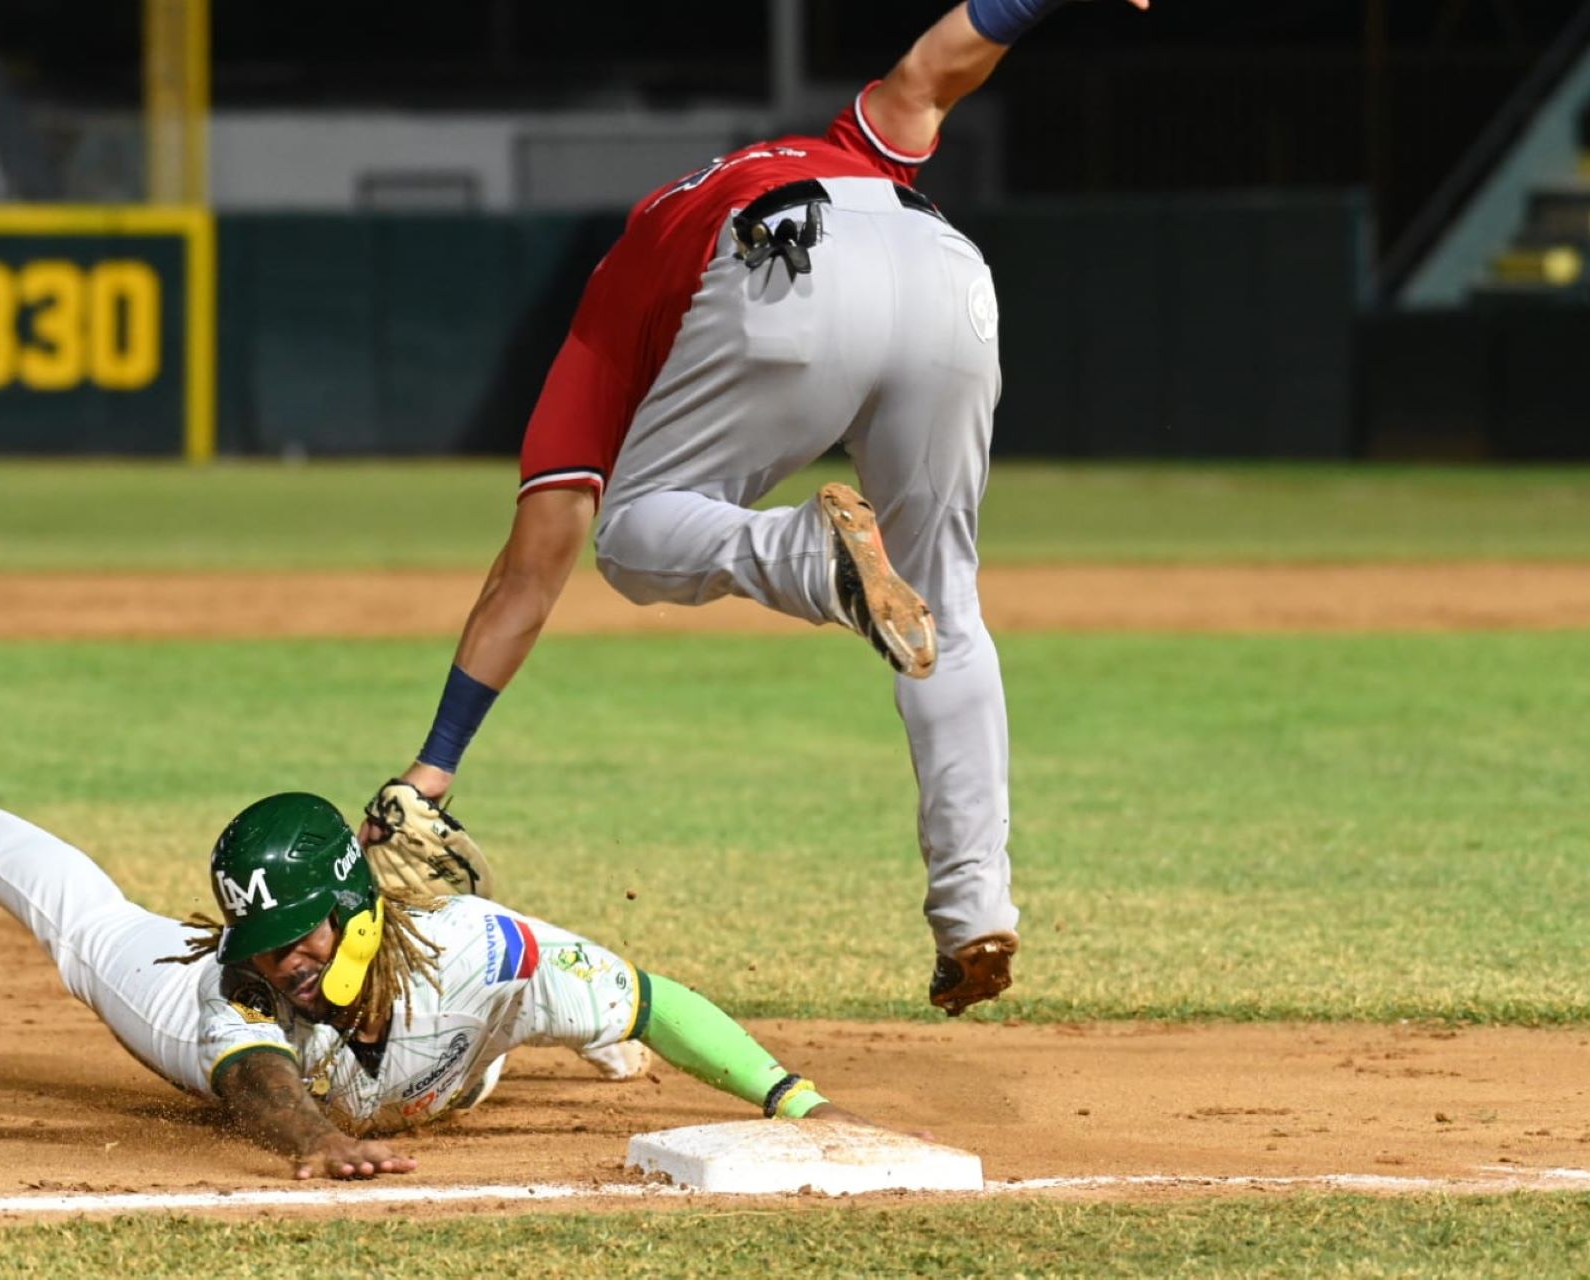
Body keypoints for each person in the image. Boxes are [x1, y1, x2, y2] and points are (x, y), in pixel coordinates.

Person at [385, 0, 1147, 1015]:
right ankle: (975, 911)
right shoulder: (839, 138)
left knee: (637, 537)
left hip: (784, 265)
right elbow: (936, 69)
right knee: (943, 604)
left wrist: (433, 764)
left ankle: (808, 549)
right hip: (946, 264)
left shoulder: (625, 282)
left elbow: (531, 571)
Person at [0, 756, 867, 1179]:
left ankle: (578, 1031)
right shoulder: (234, 983)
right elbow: (256, 1076)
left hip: (450, 1044)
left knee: (573, 1006)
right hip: (256, 1045)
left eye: (299, 936)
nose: (284, 965)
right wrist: (314, 1141)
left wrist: (792, 1096)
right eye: (263, 944)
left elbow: (658, 991)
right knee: (86, 923)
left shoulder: (473, 946)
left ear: (354, 909)